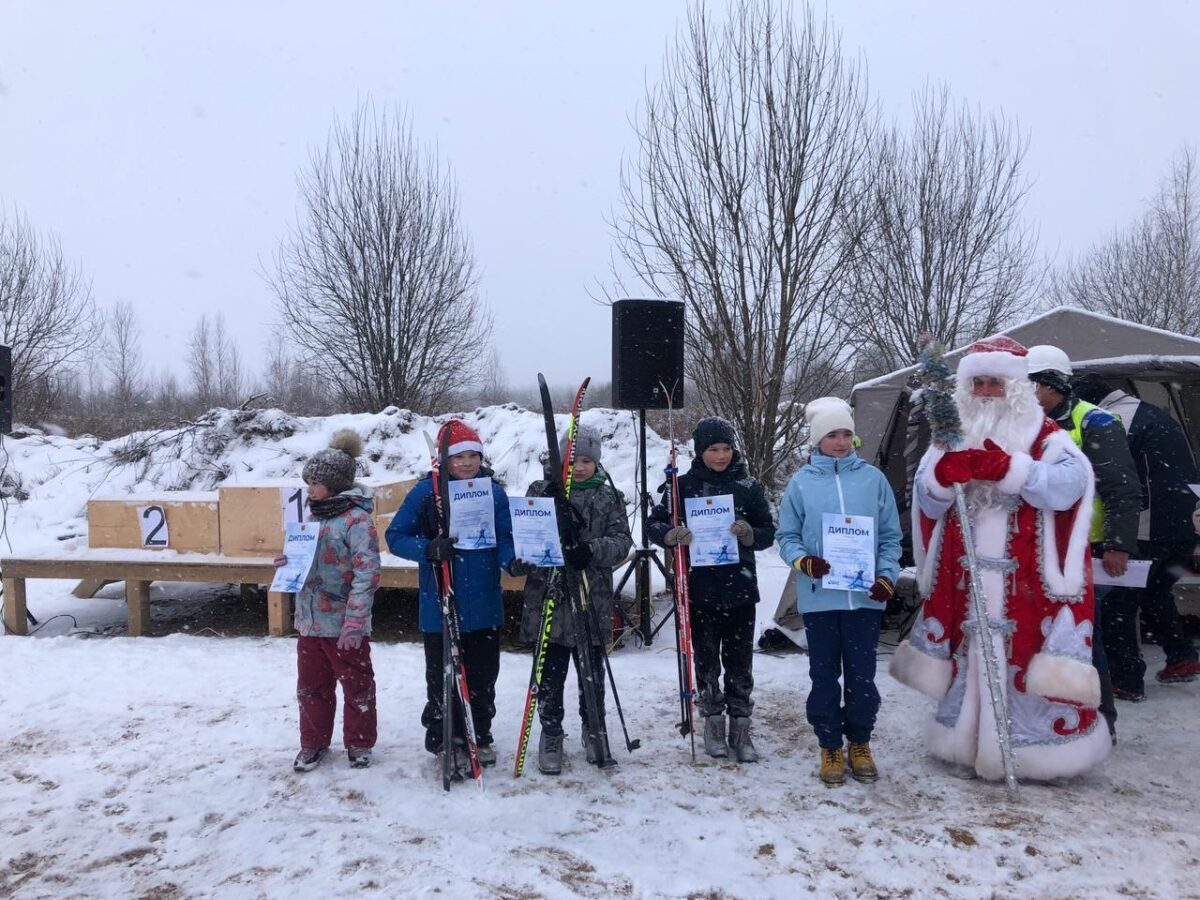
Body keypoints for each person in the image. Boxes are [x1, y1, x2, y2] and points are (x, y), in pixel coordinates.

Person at [890, 336, 1112, 781]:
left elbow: (1071, 485)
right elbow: (927, 502)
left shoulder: (1046, 436)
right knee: (970, 654)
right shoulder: (948, 439)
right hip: (966, 580)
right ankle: (967, 742)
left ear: (1015, 387)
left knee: (1025, 656)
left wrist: (1012, 470)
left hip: (1029, 584)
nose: (987, 391)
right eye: (978, 383)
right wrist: (938, 478)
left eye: (996, 383)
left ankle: (1034, 752)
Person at [776, 398, 902, 787]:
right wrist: (803, 562)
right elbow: (787, 536)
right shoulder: (802, 483)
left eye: (847, 433)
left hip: (864, 599)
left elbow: (890, 537)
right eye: (832, 434)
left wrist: (886, 577)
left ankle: (860, 741)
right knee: (824, 676)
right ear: (818, 439)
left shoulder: (872, 479)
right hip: (820, 598)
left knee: (863, 677)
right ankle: (829, 744)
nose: (841, 441)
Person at [386, 419, 515, 772]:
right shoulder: (425, 494)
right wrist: (429, 548)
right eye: (460, 457)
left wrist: (512, 560)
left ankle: (480, 734)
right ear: (445, 460)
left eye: (474, 455)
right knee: (443, 676)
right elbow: (395, 536)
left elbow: (504, 538)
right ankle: (445, 738)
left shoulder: (494, 492)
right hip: (441, 602)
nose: (468, 463)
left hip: (485, 602)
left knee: (483, 675)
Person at [1026, 345, 1141, 738]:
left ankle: (1100, 721)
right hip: (1042, 549)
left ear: (1050, 384)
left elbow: (1123, 489)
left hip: (1087, 551)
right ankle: (1052, 719)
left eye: (1031, 385)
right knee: (1048, 634)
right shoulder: (1027, 423)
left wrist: (1117, 544)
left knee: (1082, 637)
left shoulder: (1096, 422)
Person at [647, 417, 776, 762]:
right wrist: (670, 535)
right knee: (705, 660)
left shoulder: (747, 485)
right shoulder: (683, 486)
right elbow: (654, 524)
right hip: (700, 589)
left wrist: (750, 533)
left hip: (740, 588)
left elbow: (768, 530)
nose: (721, 455)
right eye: (713, 449)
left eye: (726, 448)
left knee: (739, 661)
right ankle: (712, 721)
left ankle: (741, 726)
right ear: (700, 451)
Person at [515, 424, 633, 774]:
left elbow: (622, 542)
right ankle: (551, 731)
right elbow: (525, 535)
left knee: (591, 675)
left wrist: (590, 550)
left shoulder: (608, 497)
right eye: (572, 460)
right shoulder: (541, 490)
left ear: (596, 463)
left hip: (589, 598)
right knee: (549, 675)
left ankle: (594, 728)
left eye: (586, 460)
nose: (579, 467)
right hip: (549, 598)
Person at [1072, 373, 1200, 694]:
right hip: (1185, 522)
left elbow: (1119, 479)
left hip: (1149, 524)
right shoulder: (1153, 412)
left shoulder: (1113, 419)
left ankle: (1125, 680)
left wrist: (1116, 537)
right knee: (1155, 592)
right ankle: (1182, 657)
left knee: (1119, 602)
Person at [284, 429, 382, 773]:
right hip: (310, 623)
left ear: (336, 485)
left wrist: (355, 622)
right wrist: (287, 563)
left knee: (357, 686)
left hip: (344, 625)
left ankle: (359, 742)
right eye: (307, 482)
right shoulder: (311, 518)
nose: (308, 489)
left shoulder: (355, 520)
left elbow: (367, 573)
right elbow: (307, 564)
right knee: (311, 687)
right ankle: (312, 742)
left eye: (314, 483)